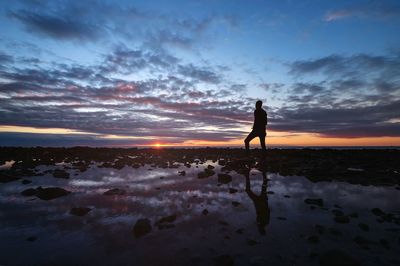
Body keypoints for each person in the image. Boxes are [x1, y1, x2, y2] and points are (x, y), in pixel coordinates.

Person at [244, 169, 270, 235]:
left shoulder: (264, 223)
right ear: (262, 230)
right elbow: (265, 212)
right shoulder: (263, 223)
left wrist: (265, 201)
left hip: (261, 202)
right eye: (261, 230)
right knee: (249, 190)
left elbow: (267, 211)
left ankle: (263, 174)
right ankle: (247, 175)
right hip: (259, 203)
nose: (259, 229)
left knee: (263, 188)